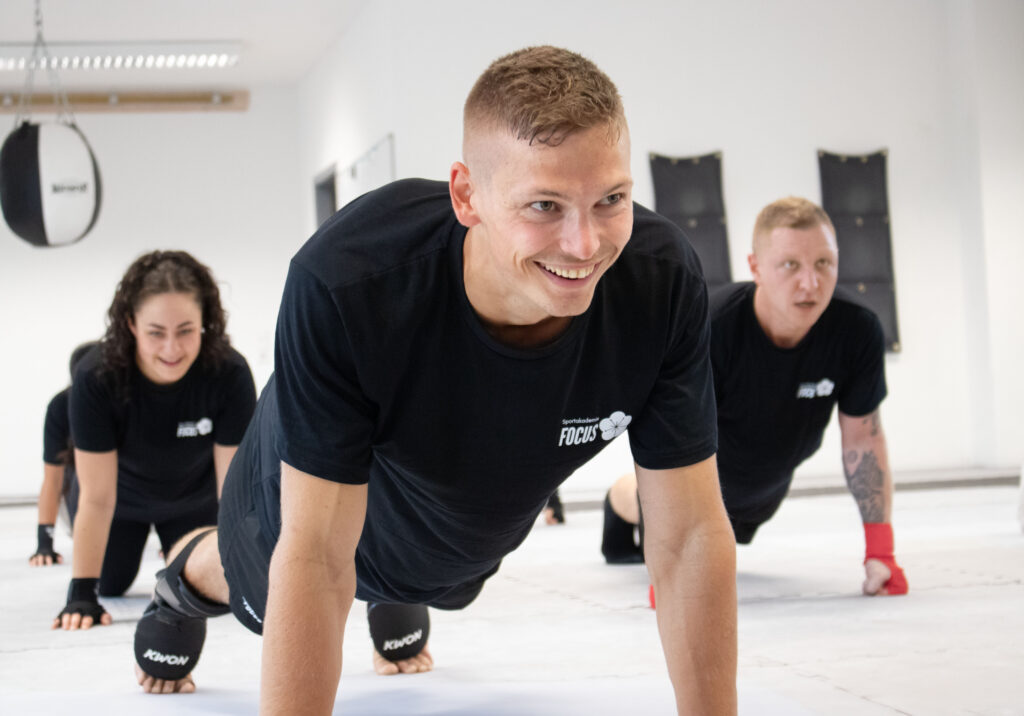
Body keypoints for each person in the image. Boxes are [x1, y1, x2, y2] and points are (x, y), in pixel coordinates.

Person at [130, 46, 737, 715]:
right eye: (544, 205)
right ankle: (181, 582)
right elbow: (319, 557)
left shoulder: (662, 285)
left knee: (432, 583)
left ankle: (396, 597)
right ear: (466, 195)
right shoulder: (348, 283)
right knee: (252, 583)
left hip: (455, 545)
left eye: (611, 199)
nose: (586, 244)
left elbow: (686, 538)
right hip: (308, 511)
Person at [602, 197, 908, 597]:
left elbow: (863, 440)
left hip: (765, 487)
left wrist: (881, 554)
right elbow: (669, 445)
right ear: (755, 268)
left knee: (741, 524)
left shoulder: (857, 330)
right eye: (790, 265)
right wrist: (671, 565)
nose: (810, 283)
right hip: (699, 484)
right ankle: (618, 497)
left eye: (823, 263)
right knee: (639, 497)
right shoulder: (712, 327)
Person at [52, 250, 257, 630]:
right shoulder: (97, 377)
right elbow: (98, 498)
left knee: (202, 585)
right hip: (120, 501)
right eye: (156, 333)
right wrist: (81, 592)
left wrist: (247, 569)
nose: (171, 349)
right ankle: (70, 502)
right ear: (131, 323)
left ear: (204, 322)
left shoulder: (229, 373)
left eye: (185, 330)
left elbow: (235, 488)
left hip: (192, 498)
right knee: (110, 585)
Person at [28, 340, 98, 567]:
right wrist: (44, 543)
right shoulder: (61, 406)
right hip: (79, 484)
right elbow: (52, 479)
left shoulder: (128, 400)